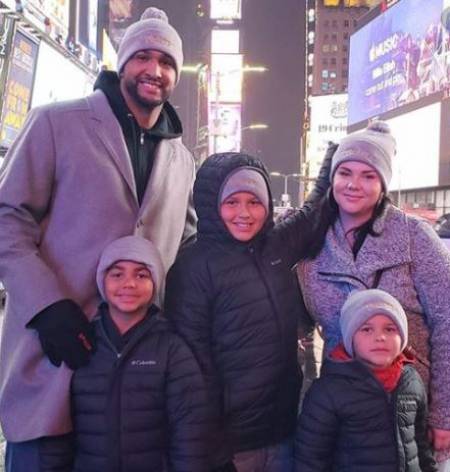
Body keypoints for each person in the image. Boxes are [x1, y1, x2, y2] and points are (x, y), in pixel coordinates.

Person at [0, 6, 196, 470]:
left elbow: (187, 249)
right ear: (122, 63)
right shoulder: (56, 123)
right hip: (53, 365)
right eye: (143, 57)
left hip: (133, 390)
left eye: (167, 62)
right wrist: (47, 306)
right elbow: (7, 216)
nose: (155, 70)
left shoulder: (182, 159)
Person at [165, 148, 334, 472]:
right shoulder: (193, 268)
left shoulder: (276, 246)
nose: (244, 213)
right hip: (231, 446)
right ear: (212, 206)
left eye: (254, 202)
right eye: (232, 202)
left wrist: (335, 157)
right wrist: (211, 449)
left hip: (282, 431)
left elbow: (314, 212)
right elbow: (191, 368)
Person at [296, 120, 450, 469]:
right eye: (345, 172)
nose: (353, 184)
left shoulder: (415, 237)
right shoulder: (311, 243)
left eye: (368, 175)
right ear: (332, 179)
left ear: (383, 184)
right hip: (346, 419)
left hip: (412, 412)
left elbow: (447, 320)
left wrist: (444, 412)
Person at [70, 236, 208, 472]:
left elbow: (190, 433)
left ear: (155, 282)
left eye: (141, 275)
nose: (129, 284)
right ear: (102, 280)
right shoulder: (80, 342)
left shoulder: (172, 349)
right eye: (117, 274)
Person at [294, 289, 437, 472]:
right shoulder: (327, 392)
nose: (380, 337)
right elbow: (310, 460)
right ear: (350, 339)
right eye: (366, 329)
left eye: (390, 329)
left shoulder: (412, 381)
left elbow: (420, 446)